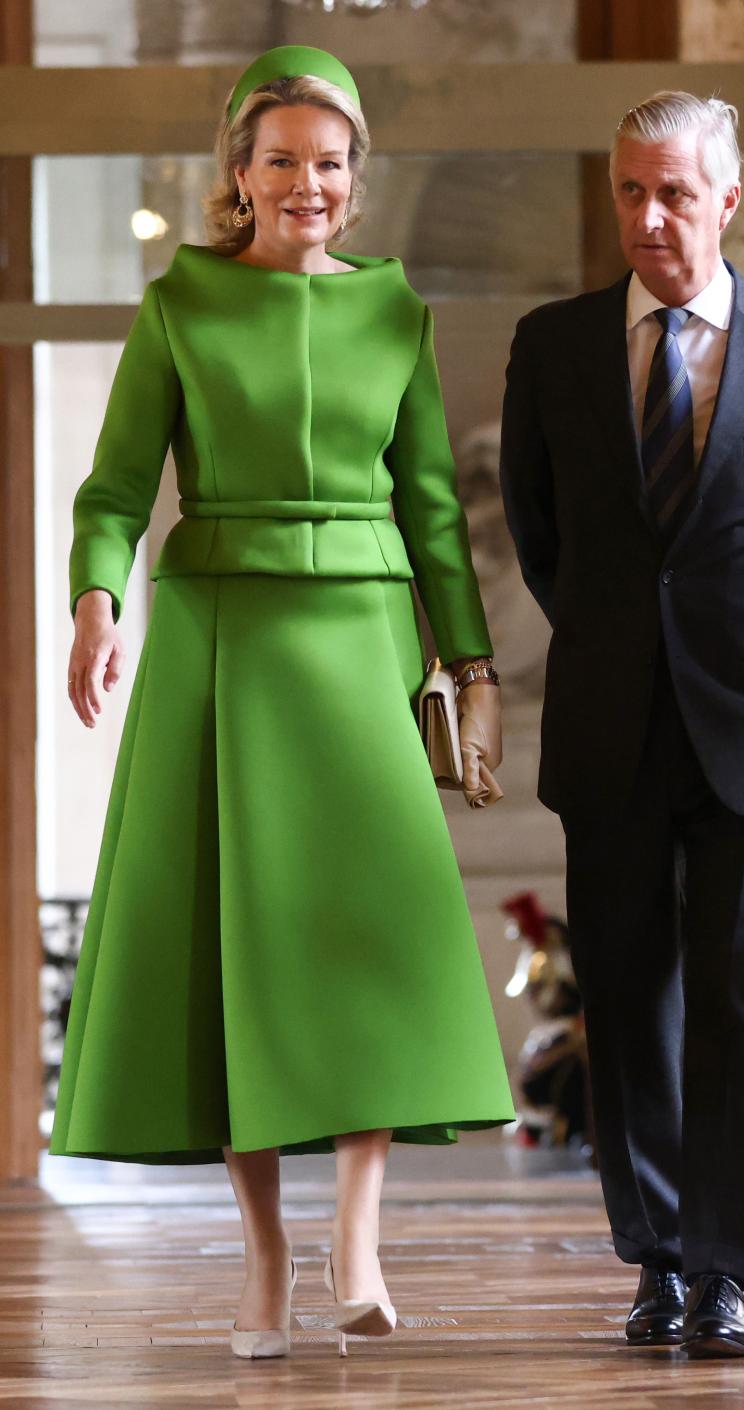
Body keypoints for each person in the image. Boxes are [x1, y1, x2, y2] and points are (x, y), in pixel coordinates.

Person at [51, 44, 514, 1361]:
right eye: (281, 161)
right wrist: (97, 603)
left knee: (367, 938)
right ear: (237, 178)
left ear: (355, 181)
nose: (306, 182)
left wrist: (471, 670)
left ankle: (354, 1239)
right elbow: (113, 490)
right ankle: (263, 1259)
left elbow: (433, 512)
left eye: (330, 162)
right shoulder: (181, 305)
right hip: (219, 643)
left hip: (365, 646)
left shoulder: (397, 314)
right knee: (238, 950)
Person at [499, 91, 744, 1358]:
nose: (648, 217)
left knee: (738, 999)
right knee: (628, 992)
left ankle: (722, 1269)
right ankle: (653, 1260)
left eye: (673, 192)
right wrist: (628, 640)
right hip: (610, 723)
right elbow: (543, 539)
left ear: (727, 197)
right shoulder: (552, 346)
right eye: (628, 191)